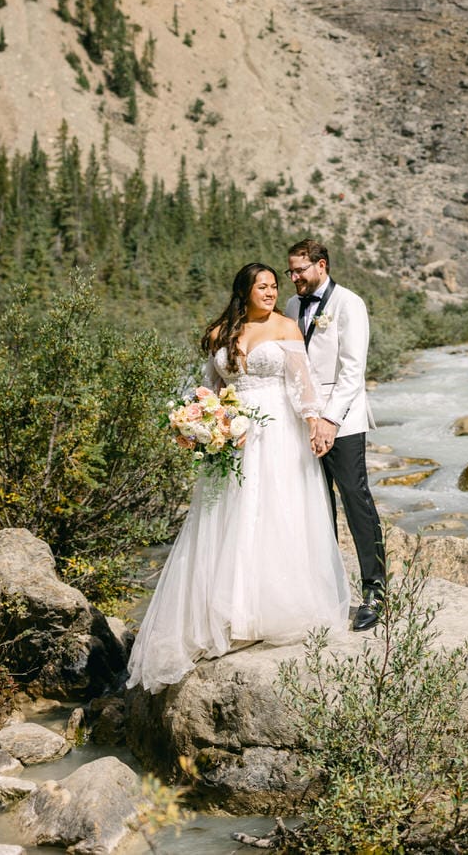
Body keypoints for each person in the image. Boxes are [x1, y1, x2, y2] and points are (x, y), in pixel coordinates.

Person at [126, 263, 350, 694]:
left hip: (277, 434)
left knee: (273, 514)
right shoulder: (219, 332)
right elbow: (208, 389)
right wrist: (195, 422)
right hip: (231, 437)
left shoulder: (286, 327)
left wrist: (315, 426)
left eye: (274, 286)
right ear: (244, 290)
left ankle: (266, 612)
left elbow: (303, 387)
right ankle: (228, 614)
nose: (270, 292)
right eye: (262, 286)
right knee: (226, 519)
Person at [284, 239, 385, 631]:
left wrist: (330, 421)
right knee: (315, 504)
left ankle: (375, 591)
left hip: (342, 422)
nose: (293, 278)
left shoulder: (350, 304)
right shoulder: (293, 307)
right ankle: (325, 589)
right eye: (290, 271)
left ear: (320, 266)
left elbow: (352, 371)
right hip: (305, 421)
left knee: (356, 500)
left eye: (299, 271)